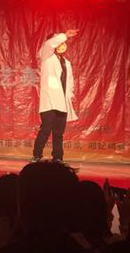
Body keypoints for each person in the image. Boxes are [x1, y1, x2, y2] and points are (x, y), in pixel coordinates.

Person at [31, 30, 79, 163]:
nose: (61, 44)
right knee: (46, 129)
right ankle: (37, 155)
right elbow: (49, 44)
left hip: (62, 102)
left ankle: (58, 157)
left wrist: (70, 95)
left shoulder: (66, 63)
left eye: (63, 42)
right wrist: (65, 35)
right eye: (59, 41)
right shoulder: (46, 56)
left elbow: (69, 81)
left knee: (59, 133)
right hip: (49, 101)